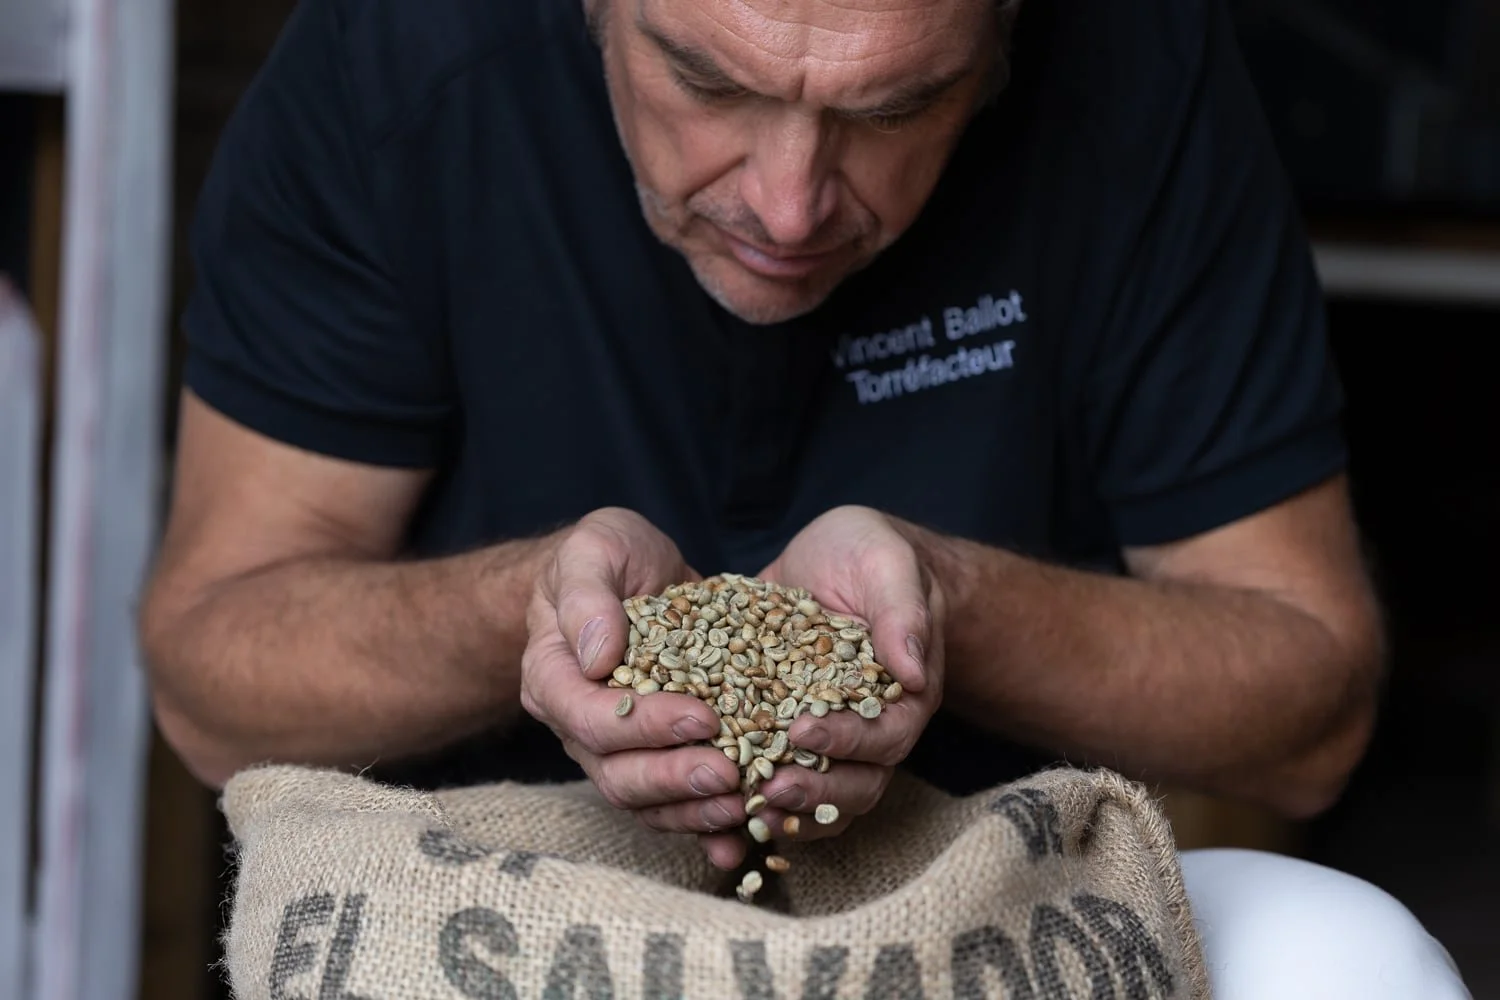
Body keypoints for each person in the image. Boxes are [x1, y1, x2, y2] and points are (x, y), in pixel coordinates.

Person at [138, 0, 1471, 995]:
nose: (788, 205)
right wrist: (532, 613)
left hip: (975, 907)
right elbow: (211, 685)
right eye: (703, 81)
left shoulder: (1138, 69)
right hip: (494, 906)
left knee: (1350, 955)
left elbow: (1314, 710)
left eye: (896, 109)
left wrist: (944, 607)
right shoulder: (400, 61)